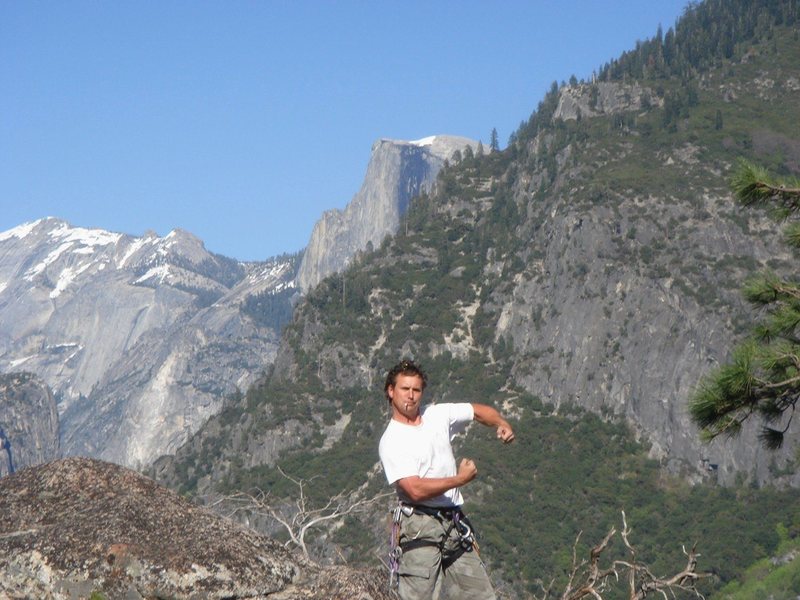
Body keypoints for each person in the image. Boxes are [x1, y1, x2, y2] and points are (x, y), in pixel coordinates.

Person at [378, 359, 515, 599]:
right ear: (391, 391)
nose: (410, 396)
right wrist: (460, 480)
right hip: (419, 526)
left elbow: (477, 411)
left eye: (416, 390)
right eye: (404, 389)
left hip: (453, 523)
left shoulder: (436, 415)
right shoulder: (392, 440)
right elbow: (414, 490)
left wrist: (501, 423)